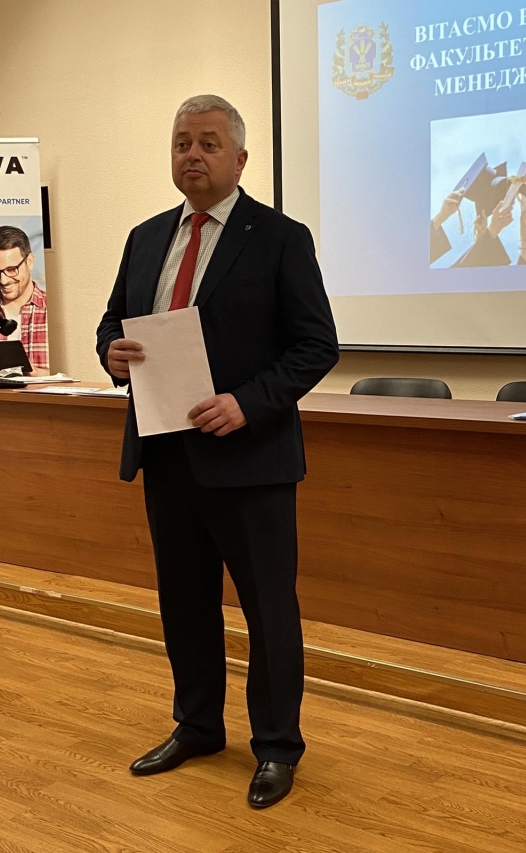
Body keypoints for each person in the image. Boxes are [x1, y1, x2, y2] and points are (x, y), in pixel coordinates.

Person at [96, 95, 339, 809]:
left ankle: (277, 746)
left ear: (240, 157)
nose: (192, 154)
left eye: (208, 142)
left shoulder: (280, 238)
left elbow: (316, 346)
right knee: (185, 603)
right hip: (167, 454)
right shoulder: (146, 237)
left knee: (269, 611)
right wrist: (110, 353)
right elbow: (112, 322)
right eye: (182, 142)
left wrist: (246, 402)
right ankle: (198, 725)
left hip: (251, 460)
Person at [0, 225, 49, 374]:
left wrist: (36, 373)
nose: (3, 280)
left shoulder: (55, 309)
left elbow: (76, 371)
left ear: (30, 261)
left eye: (11, 270)